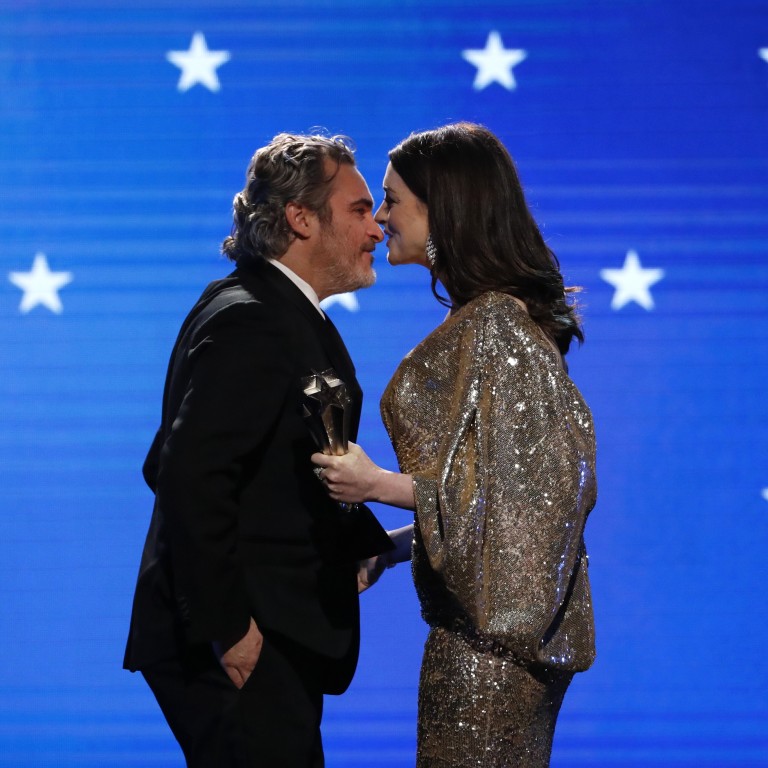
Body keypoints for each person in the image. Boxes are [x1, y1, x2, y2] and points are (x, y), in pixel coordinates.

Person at [312, 122, 597, 767]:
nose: (381, 219)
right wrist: (394, 547)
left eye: (392, 200)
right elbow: (496, 502)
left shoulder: (501, 329)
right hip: (478, 638)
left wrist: (376, 485)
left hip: (490, 657)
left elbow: (527, 509)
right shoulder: (489, 322)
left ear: (445, 209)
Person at [124, 132, 394, 768]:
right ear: (301, 218)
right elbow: (185, 472)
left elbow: (282, 464)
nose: (376, 227)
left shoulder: (289, 314)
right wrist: (230, 630)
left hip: (266, 632)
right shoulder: (250, 317)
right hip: (237, 639)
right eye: (359, 209)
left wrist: (362, 543)